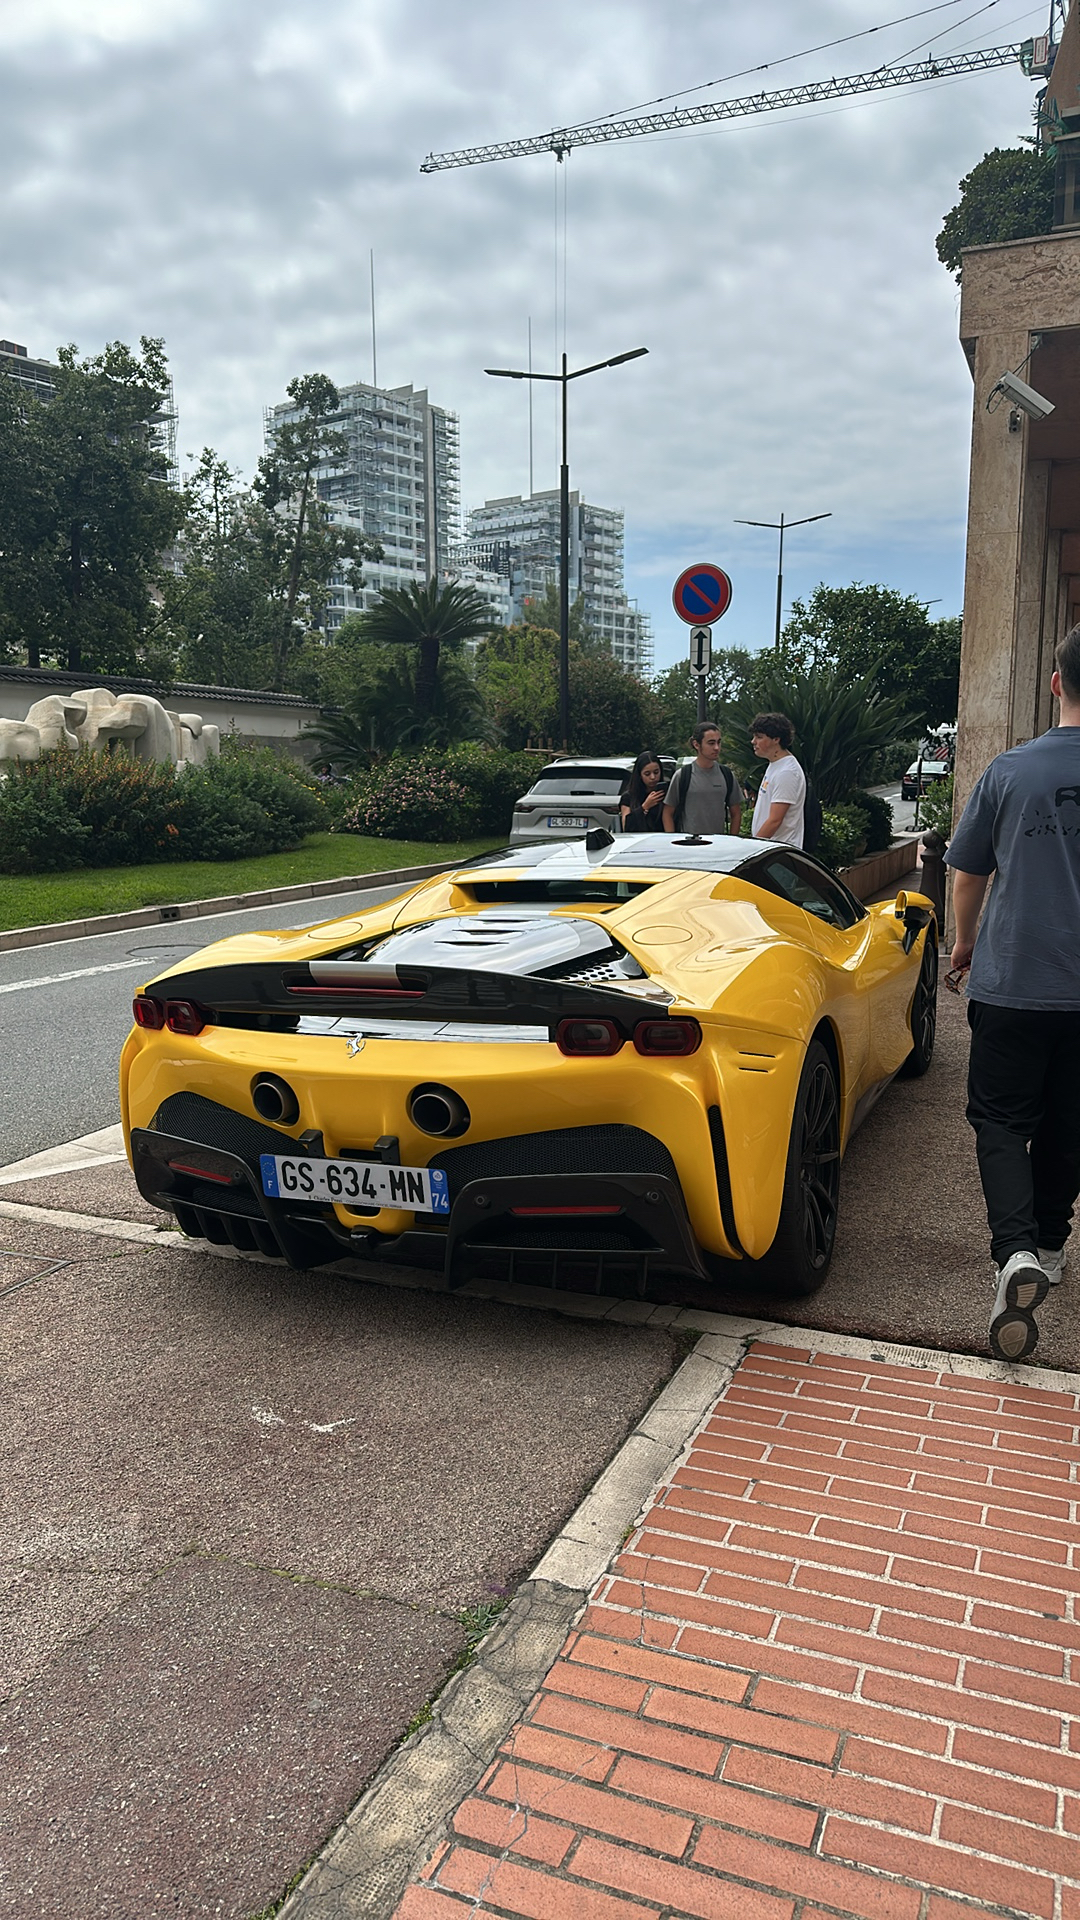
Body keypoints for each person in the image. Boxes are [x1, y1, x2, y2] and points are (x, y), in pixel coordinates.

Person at [946, 624, 1080, 1362]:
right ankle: (1052, 1249)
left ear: (1055, 682)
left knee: (1000, 1119)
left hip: (1014, 981)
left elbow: (968, 874)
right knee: (1069, 1119)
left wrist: (965, 944)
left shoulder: (1009, 771)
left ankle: (1015, 1252)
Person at [662, 721, 744, 835]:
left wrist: (731, 840)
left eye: (718, 742)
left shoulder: (727, 775)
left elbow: (736, 813)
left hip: (718, 845)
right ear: (696, 744)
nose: (716, 748)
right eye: (711, 743)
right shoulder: (683, 775)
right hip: (689, 845)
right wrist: (672, 840)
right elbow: (667, 812)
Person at [750, 712, 807, 847]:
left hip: (778, 852)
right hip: (768, 849)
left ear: (776, 739)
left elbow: (775, 820)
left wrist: (752, 847)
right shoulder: (776, 765)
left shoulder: (787, 772)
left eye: (759, 737)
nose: (753, 741)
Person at [620, 751, 668, 831]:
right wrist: (645, 807)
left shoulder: (667, 792)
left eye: (656, 772)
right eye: (647, 774)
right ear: (639, 775)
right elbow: (626, 826)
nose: (653, 777)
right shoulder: (629, 797)